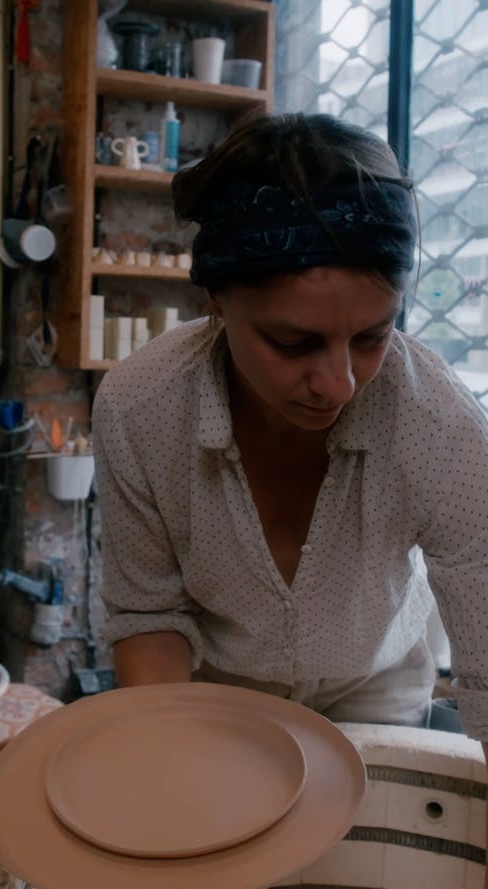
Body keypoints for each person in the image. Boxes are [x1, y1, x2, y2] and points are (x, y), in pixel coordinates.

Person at [92, 110, 487, 777]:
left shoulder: (438, 423)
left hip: (376, 686)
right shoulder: (141, 409)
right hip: (218, 685)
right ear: (216, 299)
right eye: (293, 342)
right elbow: (147, 614)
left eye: (372, 336)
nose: (340, 384)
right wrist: (174, 768)